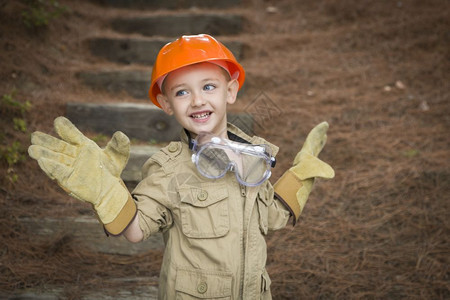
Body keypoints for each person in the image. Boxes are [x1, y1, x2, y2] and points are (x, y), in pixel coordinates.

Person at [28, 34, 334, 299]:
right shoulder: (168, 170)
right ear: (166, 104)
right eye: (182, 92)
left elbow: (271, 217)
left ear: (230, 91)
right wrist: (106, 190)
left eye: (209, 86)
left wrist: (300, 176)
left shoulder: (253, 157)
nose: (198, 100)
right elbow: (135, 231)